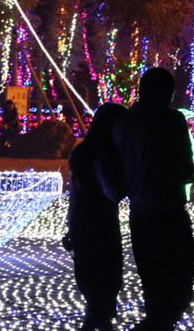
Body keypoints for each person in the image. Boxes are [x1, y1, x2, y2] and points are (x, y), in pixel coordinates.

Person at [113, 68, 194, 330]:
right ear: (166, 93)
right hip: (169, 212)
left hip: (139, 213)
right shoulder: (172, 120)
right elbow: (185, 170)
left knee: (152, 282)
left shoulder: (125, 122)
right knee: (180, 277)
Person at [64, 102, 128, 331]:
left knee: (95, 287)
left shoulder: (83, 151)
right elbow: (113, 191)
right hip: (100, 226)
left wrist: (70, 226)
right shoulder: (105, 154)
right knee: (104, 287)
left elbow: (74, 194)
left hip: (82, 223)